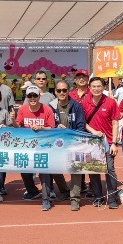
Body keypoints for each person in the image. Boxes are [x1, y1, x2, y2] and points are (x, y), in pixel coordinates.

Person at [15, 85, 56, 211]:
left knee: (44, 172)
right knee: (24, 168)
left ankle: (46, 199)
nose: (32, 98)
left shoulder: (47, 109)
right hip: (27, 147)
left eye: (35, 95)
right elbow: (18, 126)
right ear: (26, 97)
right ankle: (32, 191)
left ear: (39, 97)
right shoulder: (22, 109)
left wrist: (41, 128)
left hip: (44, 146)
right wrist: (12, 119)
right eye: (29, 96)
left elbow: (52, 128)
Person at [47, 81, 84, 210]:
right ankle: (64, 191)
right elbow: (48, 125)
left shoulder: (76, 106)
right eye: (59, 91)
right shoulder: (50, 107)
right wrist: (56, 128)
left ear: (69, 90)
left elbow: (81, 126)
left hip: (73, 142)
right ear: (55, 92)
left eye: (64, 90)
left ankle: (75, 199)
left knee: (75, 170)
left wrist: (71, 134)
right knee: (55, 168)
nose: (62, 93)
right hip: (56, 144)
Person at [84, 77, 120, 209]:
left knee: (109, 169)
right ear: (89, 87)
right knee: (94, 170)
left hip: (108, 142)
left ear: (104, 87)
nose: (96, 89)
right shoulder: (85, 102)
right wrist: (93, 131)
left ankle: (112, 198)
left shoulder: (110, 102)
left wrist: (114, 143)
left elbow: (115, 123)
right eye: (93, 86)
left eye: (99, 86)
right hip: (91, 142)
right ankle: (98, 196)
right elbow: (83, 122)